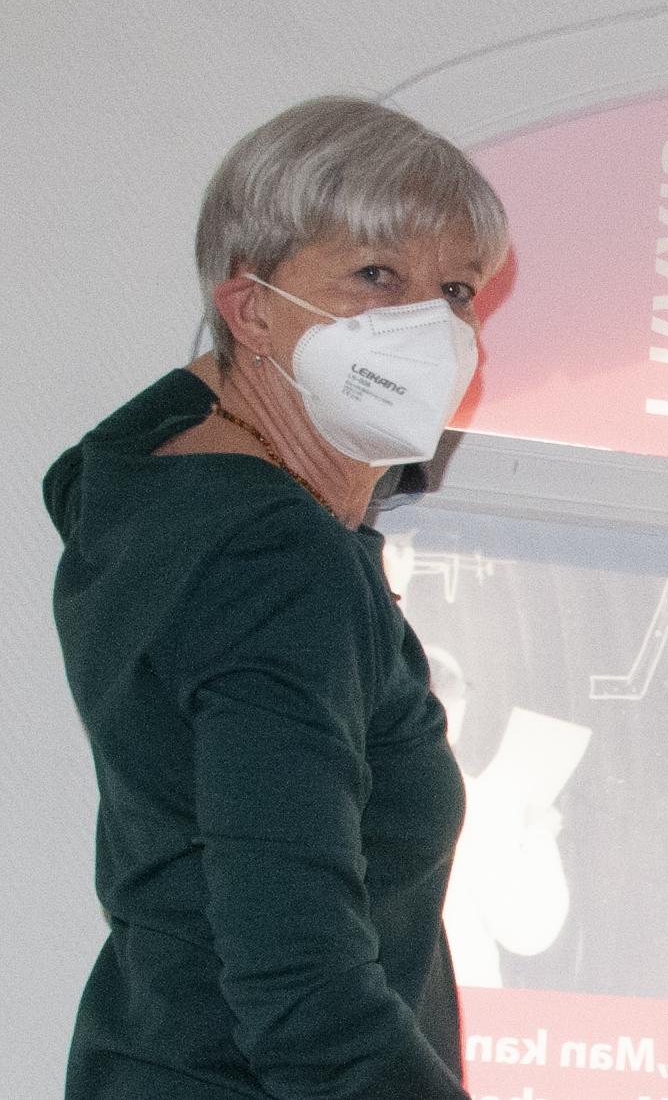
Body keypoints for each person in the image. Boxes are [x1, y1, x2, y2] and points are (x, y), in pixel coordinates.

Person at [44, 96, 509, 1098]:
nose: (425, 325)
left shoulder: (159, 490)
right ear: (252, 306)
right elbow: (302, 989)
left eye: (458, 289)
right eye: (374, 274)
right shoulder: (277, 554)